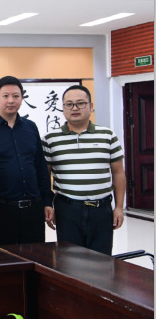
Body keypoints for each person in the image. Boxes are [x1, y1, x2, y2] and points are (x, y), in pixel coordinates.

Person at [0, 76, 54, 246]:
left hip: (33, 209)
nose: (11, 100)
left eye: (16, 96)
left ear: (22, 98)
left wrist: (47, 202)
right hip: (1, 211)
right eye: (5, 96)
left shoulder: (31, 127)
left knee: (35, 258)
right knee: (2, 259)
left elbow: (40, 167)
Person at [42, 85, 125, 255]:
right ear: (63, 107)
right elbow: (44, 176)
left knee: (101, 260)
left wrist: (119, 207)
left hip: (101, 209)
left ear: (91, 106)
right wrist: (48, 205)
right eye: (69, 104)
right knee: (69, 259)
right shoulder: (50, 139)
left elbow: (118, 173)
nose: (75, 108)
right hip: (67, 209)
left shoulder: (107, 135)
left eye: (80, 103)